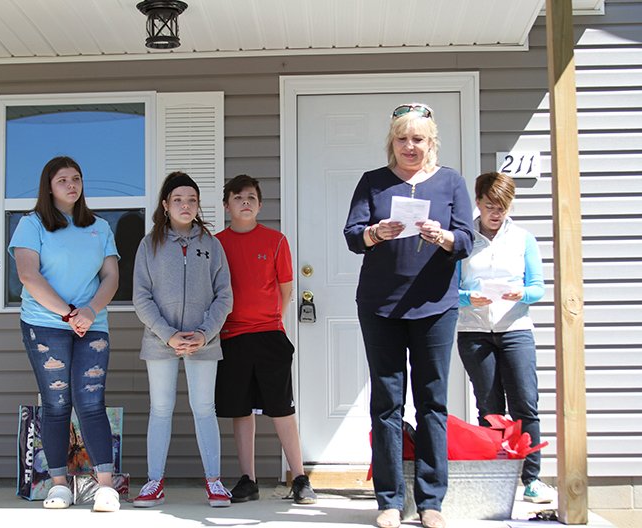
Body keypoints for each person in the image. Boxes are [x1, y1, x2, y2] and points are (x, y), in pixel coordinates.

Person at [343, 103, 474, 528]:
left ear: (431, 142)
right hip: (381, 306)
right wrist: (375, 232)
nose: (410, 146)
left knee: (432, 403)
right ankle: (389, 502)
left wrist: (446, 237)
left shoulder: (450, 181)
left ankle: (431, 501)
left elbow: (468, 239)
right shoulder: (373, 183)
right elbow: (352, 235)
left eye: (418, 138)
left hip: (435, 307)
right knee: (386, 404)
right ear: (392, 142)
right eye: (403, 138)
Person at [9, 156, 121, 512]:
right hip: (45, 323)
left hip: (91, 324)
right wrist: (69, 312)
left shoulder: (100, 227)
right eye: (63, 180)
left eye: (77, 178)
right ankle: (59, 485)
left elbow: (111, 277)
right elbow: (28, 275)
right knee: (56, 405)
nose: (72, 185)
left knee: (91, 401)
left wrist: (88, 312)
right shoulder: (32, 224)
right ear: (49, 186)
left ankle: (105, 486)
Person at [132, 171, 233, 508]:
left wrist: (205, 334)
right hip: (161, 341)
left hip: (205, 340)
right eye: (178, 199)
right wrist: (169, 334)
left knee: (204, 409)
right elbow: (141, 297)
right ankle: (154, 482)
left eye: (191, 200)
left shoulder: (212, 245)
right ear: (165, 205)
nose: (185, 205)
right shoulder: (150, 245)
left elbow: (224, 296)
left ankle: (215, 483)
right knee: (160, 410)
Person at [214, 174, 317, 505]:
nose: (246, 202)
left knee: (281, 408)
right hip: (231, 337)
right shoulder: (216, 244)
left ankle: (299, 477)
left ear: (260, 205)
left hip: (269, 335)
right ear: (227, 204)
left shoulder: (275, 241)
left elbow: (286, 287)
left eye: (252, 197)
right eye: (238, 197)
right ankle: (248, 479)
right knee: (241, 411)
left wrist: (273, 320)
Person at [456, 171, 554, 504]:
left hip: (515, 330)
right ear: (478, 203)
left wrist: (520, 293)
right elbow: (450, 291)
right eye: (489, 206)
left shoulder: (523, 238)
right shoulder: (465, 238)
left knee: (525, 404)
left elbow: (538, 287)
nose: (496, 214)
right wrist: (469, 298)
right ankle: (496, 477)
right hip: (475, 331)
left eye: (502, 207)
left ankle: (532, 478)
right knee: (490, 407)